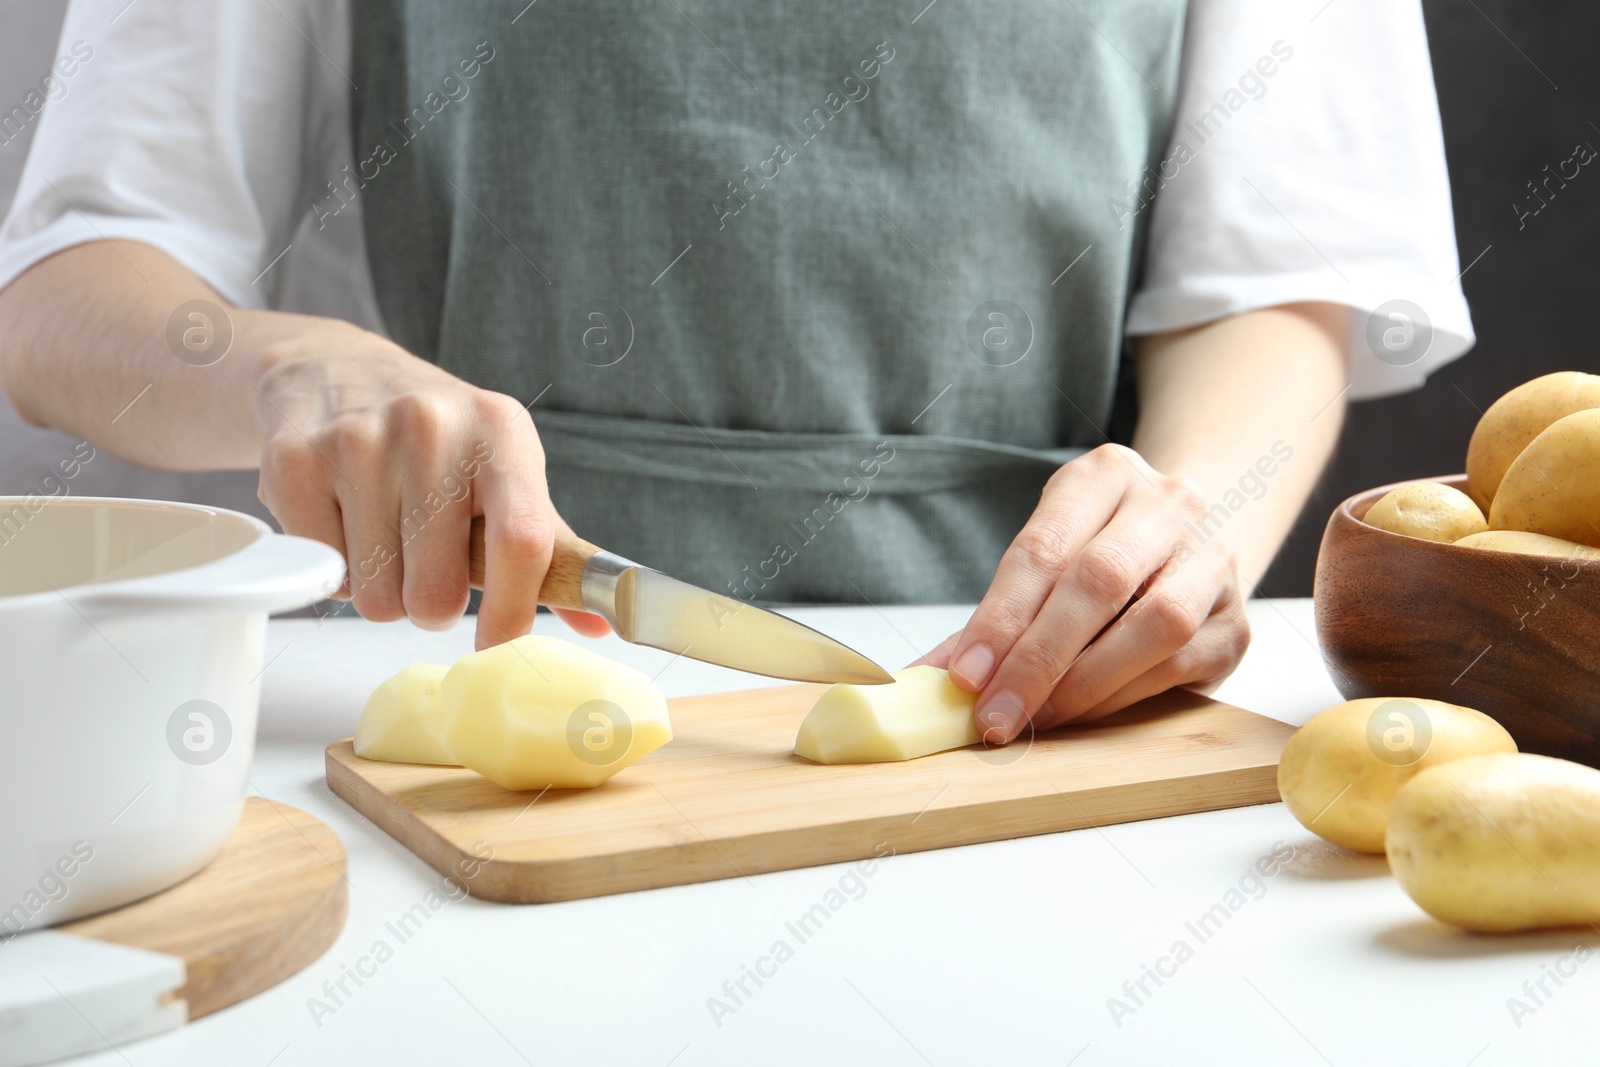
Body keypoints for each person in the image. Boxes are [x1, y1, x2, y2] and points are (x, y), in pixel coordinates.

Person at [0, 0, 1471, 745]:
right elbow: (69, 292)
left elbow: (1277, 287)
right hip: (442, 686)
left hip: (1036, 723)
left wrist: (1186, 528)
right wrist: (285, 368)